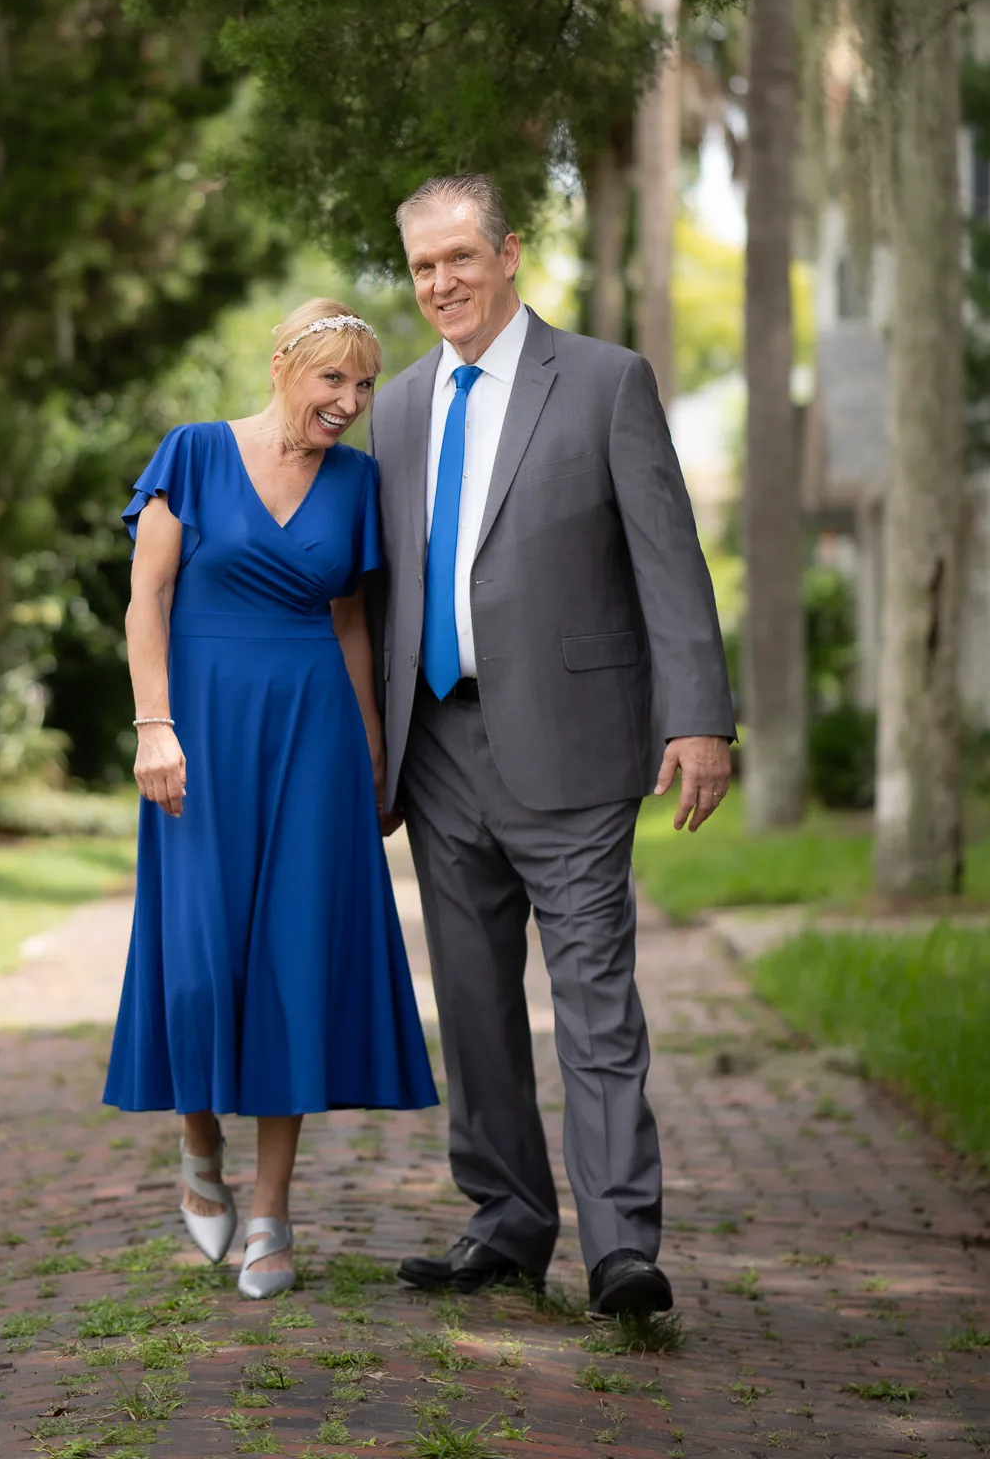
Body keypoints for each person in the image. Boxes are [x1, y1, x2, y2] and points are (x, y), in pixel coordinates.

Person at [369, 174, 734, 1315]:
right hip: (436, 744)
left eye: (460, 258)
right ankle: (506, 1222)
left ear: (510, 252)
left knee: (595, 1002)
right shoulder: (394, 408)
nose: (442, 283)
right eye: (423, 266)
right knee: (474, 1006)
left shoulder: (605, 381)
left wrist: (701, 715)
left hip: (574, 740)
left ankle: (622, 1244)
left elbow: (668, 558)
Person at [105, 297, 436, 1299]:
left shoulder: (358, 482)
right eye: (334, 378)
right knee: (201, 963)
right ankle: (197, 1140)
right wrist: (152, 723)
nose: (350, 400)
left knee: (292, 962)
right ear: (287, 365)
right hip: (199, 731)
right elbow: (146, 596)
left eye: (365, 384)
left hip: (313, 739)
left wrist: (375, 760)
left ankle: (274, 1212)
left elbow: (350, 626)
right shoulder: (195, 452)